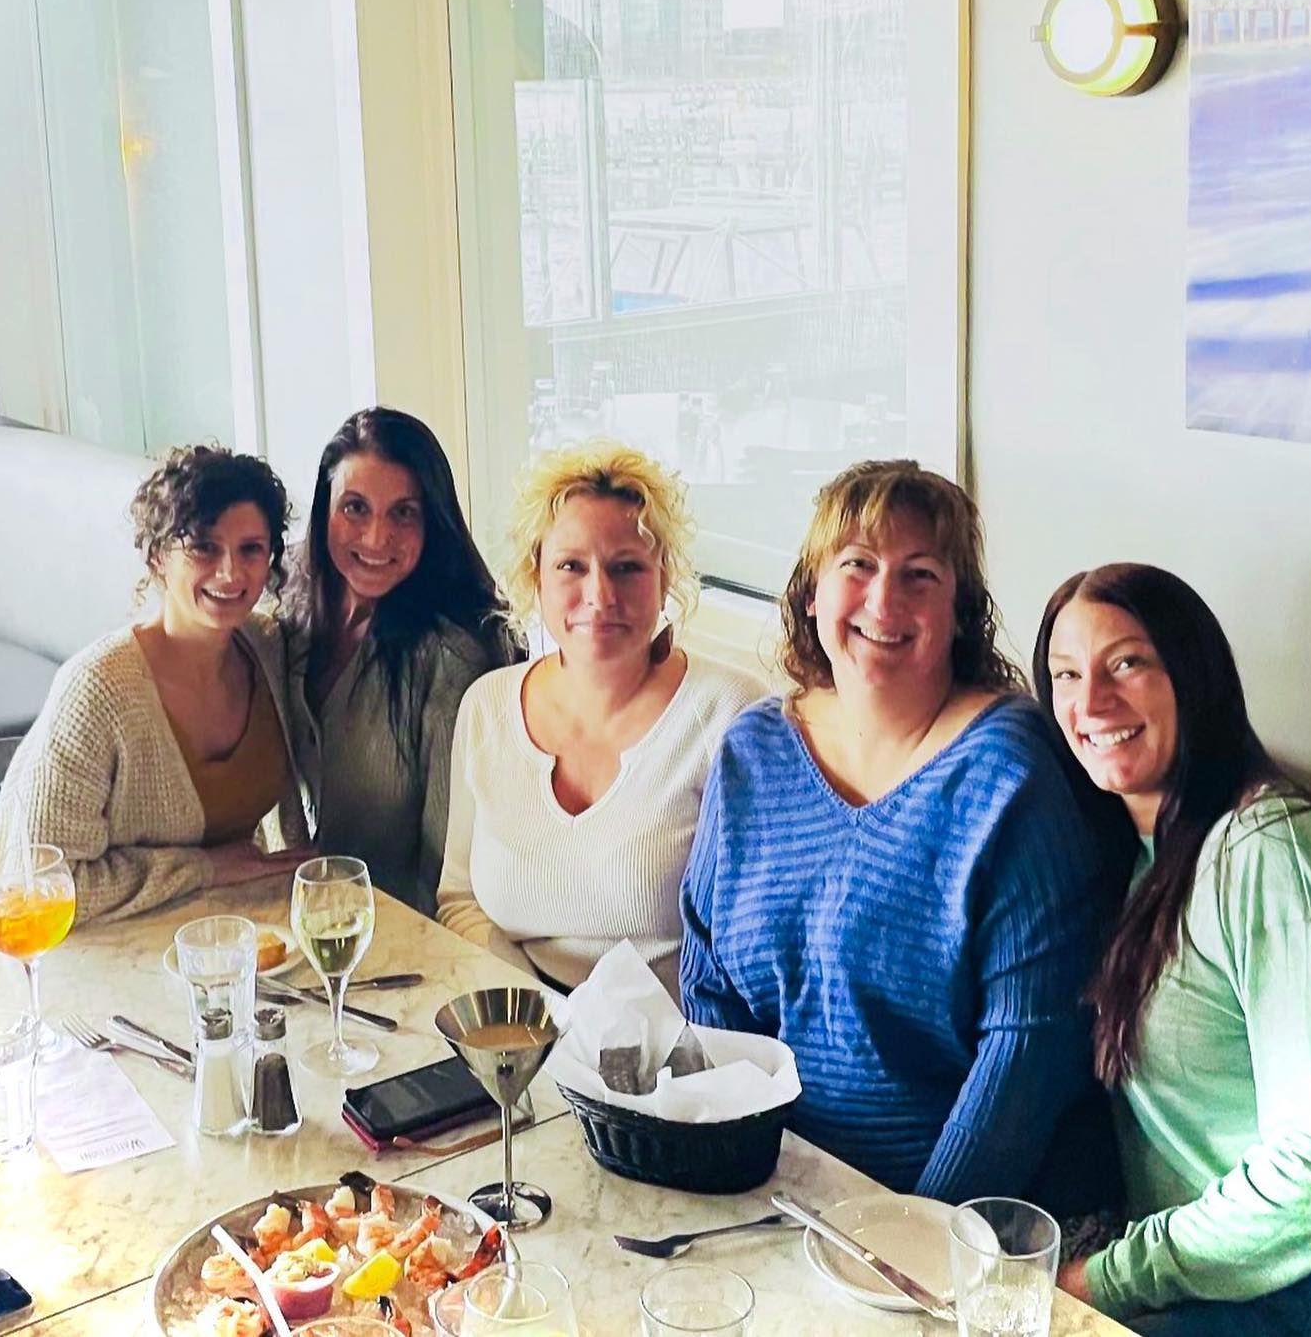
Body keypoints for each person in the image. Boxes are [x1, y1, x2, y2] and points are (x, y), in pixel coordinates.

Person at [680, 459, 1112, 1205]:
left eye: (921, 575)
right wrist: (738, 1166)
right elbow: (710, 978)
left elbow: (1029, 1049)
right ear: (813, 593)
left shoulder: (1008, 774)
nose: (885, 600)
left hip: (954, 1216)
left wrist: (913, 1234)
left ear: (958, 612)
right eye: (858, 565)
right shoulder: (754, 749)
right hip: (769, 1188)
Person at [1036, 563, 1311, 1336]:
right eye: (1067, 674)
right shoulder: (1133, 853)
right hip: (1227, 1273)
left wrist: (1110, 1276)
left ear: (1193, 676)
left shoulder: (1274, 850)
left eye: (1126, 662)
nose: (1091, 701)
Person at [437, 442, 763, 995]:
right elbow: (460, 900)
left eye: (627, 567)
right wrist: (542, 1021)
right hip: (518, 1033)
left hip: (675, 1056)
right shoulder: (487, 706)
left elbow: (751, 942)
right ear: (534, 577)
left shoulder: (729, 715)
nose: (600, 595)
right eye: (571, 566)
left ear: (665, 579)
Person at [0, 445, 310, 923]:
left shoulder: (269, 647)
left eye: (250, 549)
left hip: (235, 943)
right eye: (204, 547)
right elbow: (34, 882)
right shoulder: (97, 690)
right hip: (107, 958)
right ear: (158, 557)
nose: (231, 572)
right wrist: (203, 870)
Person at [284, 408, 516, 913]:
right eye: (355, 508)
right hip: (283, 922)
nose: (375, 538)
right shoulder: (283, 605)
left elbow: (448, 881)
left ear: (432, 522)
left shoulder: (453, 661)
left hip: (392, 945)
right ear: (324, 509)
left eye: (403, 513)